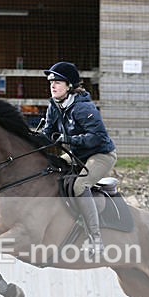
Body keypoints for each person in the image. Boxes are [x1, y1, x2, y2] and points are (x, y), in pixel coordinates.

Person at [41, 61, 117, 254]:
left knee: (79, 185)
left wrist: (69, 139)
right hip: (75, 155)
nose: (53, 85)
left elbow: (97, 137)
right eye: (51, 81)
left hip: (100, 155)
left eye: (58, 81)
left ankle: (96, 238)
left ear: (69, 86)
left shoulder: (83, 108)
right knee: (50, 173)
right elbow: (46, 134)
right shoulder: (54, 106)